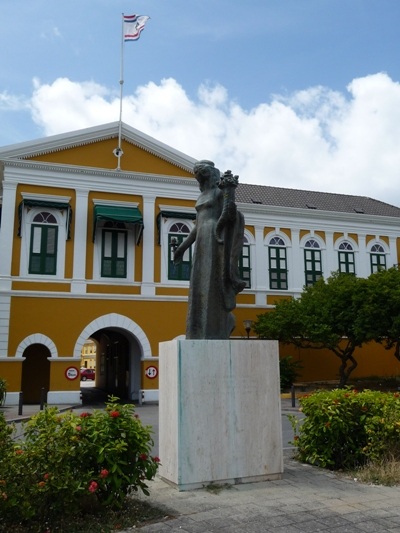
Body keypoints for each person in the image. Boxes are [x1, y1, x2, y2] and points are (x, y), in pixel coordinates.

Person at [173, 160, 245, 339]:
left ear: (210, 175)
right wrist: (182, 248)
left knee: (213, 281)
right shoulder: (202, 196)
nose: (200, 180)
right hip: (202, 237)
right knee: (199, 283)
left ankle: (218, 325)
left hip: (214, 236)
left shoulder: (219, 192)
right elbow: (198, 226)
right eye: (198, 177)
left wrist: (230, 195)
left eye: (202, 175)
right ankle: (197, 329)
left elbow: (229, 214)